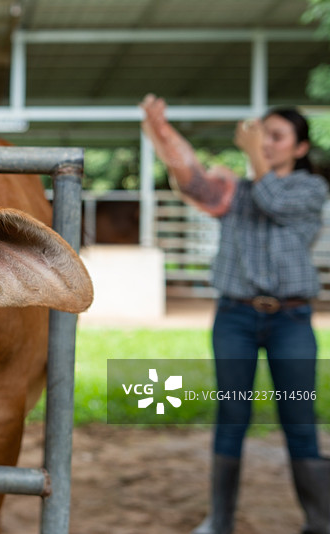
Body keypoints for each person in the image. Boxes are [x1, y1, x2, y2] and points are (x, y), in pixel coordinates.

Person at [140, 95, 330, 534]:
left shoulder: (310, 189)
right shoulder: (234, 191)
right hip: (235, 319)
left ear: (300, 148)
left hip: (291, 321)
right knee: (232, 416)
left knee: (299, 419)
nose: (265, 142)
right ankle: (219, 520)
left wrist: (250, 153)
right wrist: (162, 132)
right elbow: (192, 182)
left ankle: (319, 521)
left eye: (276, 136)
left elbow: (275, 202)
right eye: (261, 134)